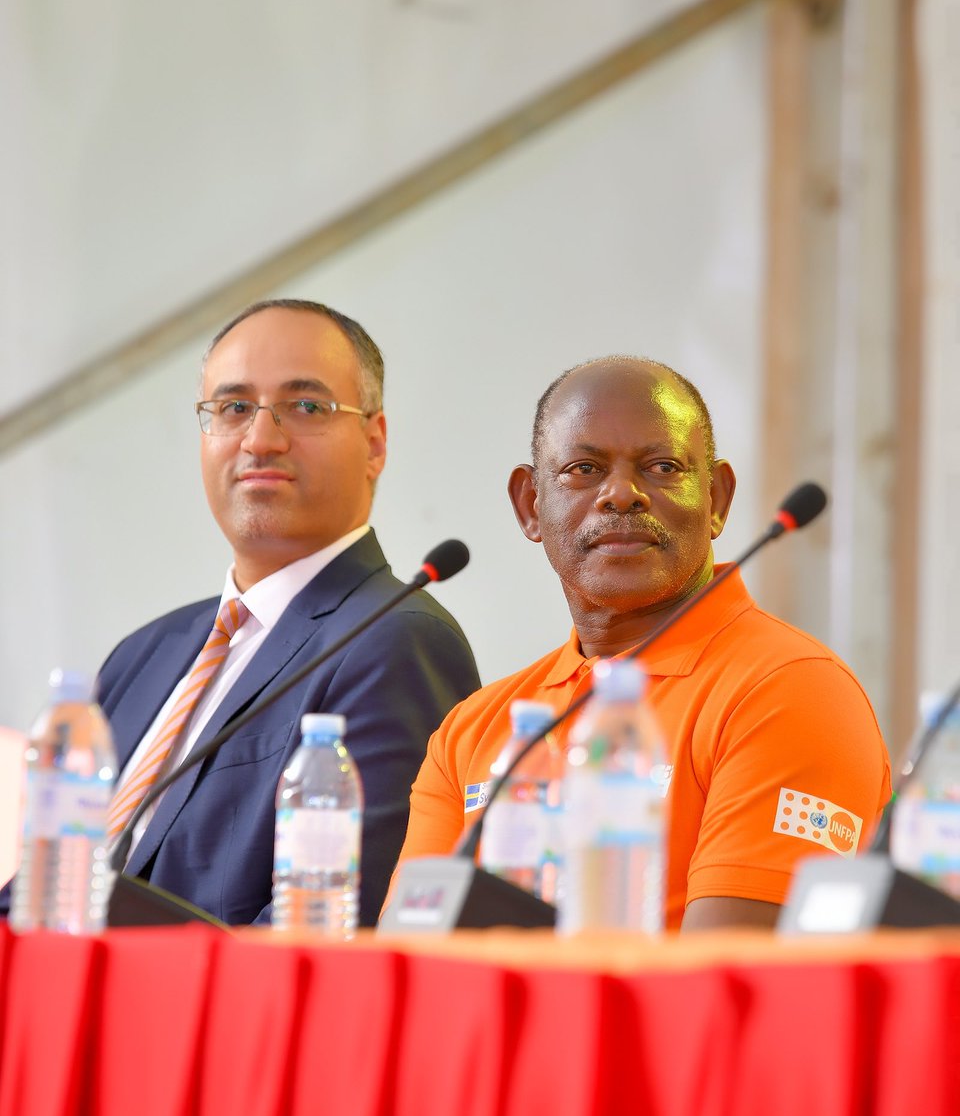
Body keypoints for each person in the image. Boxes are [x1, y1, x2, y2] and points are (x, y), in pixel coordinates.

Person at [1, 299, 479, 929]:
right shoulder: (148, 651)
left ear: (374, 443)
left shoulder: (393, 639)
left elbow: (333, 925)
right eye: (232, 409)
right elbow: (45, 885)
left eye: (305, 406)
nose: (261, 439)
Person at [390, 355, 891, 930]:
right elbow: (410, 961)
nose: (622, 494)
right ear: (530, 505)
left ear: (718, 500)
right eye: (583, 468)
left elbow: (726, 988)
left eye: (662, 466)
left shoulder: (789, 687)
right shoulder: (473, 730)